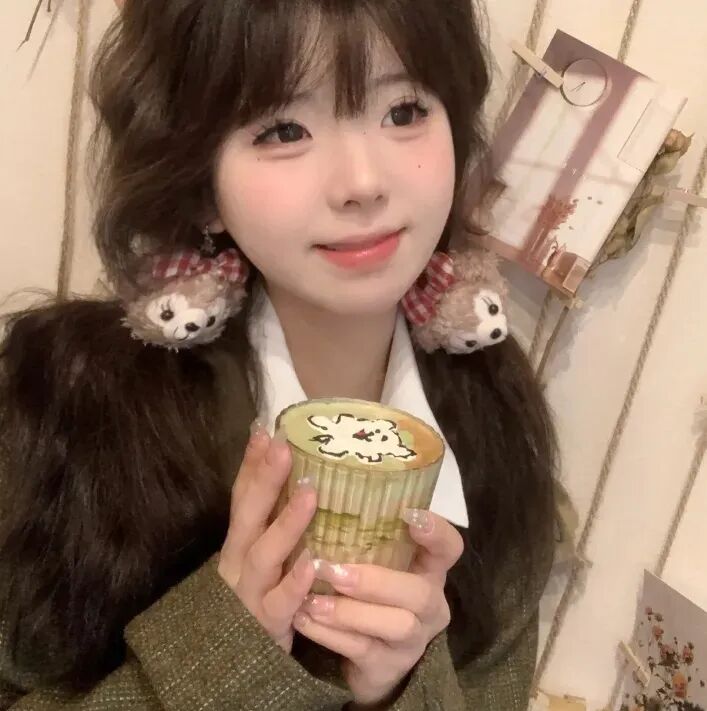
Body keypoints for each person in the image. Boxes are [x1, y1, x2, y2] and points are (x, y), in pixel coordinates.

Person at [0, 0, 557, 709]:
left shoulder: (492, 409)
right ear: (200, 183)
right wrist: (222, 656)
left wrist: (398, 689)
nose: (362, 183)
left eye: (405, 111)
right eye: (284, 129)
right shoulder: (68, 400)